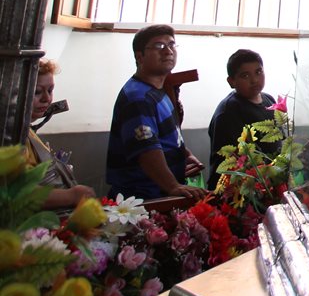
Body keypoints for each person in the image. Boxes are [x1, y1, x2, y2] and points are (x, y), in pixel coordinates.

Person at [106, 25, 206, 201]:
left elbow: (166, 139)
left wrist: (185, 155)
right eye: (159, 46)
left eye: (172, 45)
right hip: (142, 199)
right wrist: (173, 186)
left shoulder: (158, 91)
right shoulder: (138, 98)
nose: (168, 51)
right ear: (140, 56)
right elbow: (147, 152)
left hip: (160, 191)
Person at [25, 59, 95, 210]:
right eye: (37, 91)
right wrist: (73, 195)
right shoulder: (11, 137)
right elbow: (20, 193)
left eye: (50, 90)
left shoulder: (27, 130)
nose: (46, 98)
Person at [206, 49, 279, 189]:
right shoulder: (228, 111)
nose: (254, 80)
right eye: (245, 75)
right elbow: (232, 163)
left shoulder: (269, 100)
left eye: (258, 72)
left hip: (269, 183)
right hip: (238, 190)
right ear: (231, 81)